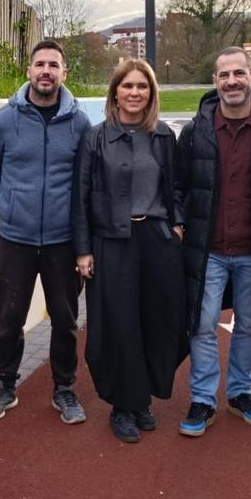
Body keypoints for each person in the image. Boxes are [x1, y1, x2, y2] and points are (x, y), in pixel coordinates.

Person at [173, 47, 251, 437]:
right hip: (208, 250)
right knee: (202, 323)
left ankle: (241, 392)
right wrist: (179, 224)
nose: (231, 81)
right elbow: (178, 186)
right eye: (224, 75)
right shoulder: (195, 132)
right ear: (215, 81)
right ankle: (203, 399)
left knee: (249, 325)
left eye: (238, 74)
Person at [71, 58, 187, 443]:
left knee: (156, 320)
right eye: (128, 86)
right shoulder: (95, 137)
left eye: (142, 87)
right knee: (118, 325)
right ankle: (123, 406)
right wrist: (83, 250)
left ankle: (143, 401)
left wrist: (177, 223)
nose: (135, 93)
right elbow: (81, 198)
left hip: (156, 240)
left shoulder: (164, 136)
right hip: (111, 242)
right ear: (115, 92)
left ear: (151, 94)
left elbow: (178, 186)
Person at [0, 39, 91, 424]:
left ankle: (64, 389)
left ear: (64, 73)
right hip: (16, 239)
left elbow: (84, 179)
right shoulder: (3, 121)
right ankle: (5, 384)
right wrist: (12, 201)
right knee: (10, 317)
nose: (46, 70)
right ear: (28, 71)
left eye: (53, 65)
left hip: (62, 241)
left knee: (65, 319)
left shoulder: (78, 123)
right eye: (40, 64)